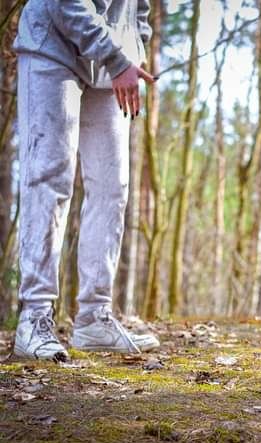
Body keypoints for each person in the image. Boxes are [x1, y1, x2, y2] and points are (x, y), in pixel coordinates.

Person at [12, 0, 160, 361]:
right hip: (53, 47)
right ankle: (34, 317)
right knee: (49, 178)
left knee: (114, 188)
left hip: (111, 65)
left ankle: (94, 317)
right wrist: (115, 57)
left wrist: (131, 52)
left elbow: (139, 8)